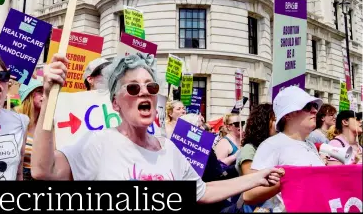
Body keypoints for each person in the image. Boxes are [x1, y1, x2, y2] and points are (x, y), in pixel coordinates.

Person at [32, 52, 284, 204]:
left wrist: (256, 178)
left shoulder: (168, 149)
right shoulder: (99, 143)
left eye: (150, 87)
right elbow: (44, 170)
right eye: (132, 88)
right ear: (115, 103)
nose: (144, 92)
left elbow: (202, 191)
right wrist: (48, 96)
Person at [243, 86, 325, 211]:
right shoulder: (271, 145)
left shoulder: (310, 145)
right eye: (308, 106)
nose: (314, 110)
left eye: (315, 106)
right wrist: (289, 180)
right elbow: (249, 194)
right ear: (288, 114)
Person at [234, 103, 279, 211]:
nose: (277, 124)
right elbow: (251, 183)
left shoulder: (272, 148)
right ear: (262, 123)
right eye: (273, 120)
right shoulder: (250, 149)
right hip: (255, 207)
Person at [16, 78, 44, 181]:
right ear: (29, 95)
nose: (44, 95)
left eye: (46, 92)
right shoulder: (16, 121)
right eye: (39, 91)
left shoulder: (47, 124)